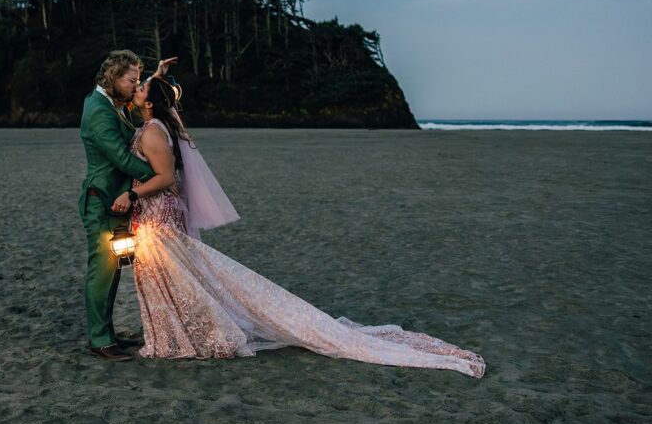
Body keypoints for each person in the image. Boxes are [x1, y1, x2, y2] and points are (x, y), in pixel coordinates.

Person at [110, 76, 486, 378]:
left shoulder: (155, 131)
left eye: (141, 86)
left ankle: (191, 334)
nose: (137, 87)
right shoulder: (156, 123)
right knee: (177, 276)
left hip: (158, 214)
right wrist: (159, 76)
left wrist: (131, 192)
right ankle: (178, 331)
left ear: (150, 102)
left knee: (174, 275)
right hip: (157, 214)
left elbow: (164, 177)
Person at [78, 50, 177, 362]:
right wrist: (158, 176)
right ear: (113, 78)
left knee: (113, 270)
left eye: (139, 81)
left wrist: (156, 77)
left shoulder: (110, 102)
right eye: (131, 81)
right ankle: (99, 340)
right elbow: (120, 158)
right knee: (102, 271)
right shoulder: (98, 110)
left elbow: (143, 96)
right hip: (103, 200)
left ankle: (105, 333)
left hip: (118, 201)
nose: (136, 86)